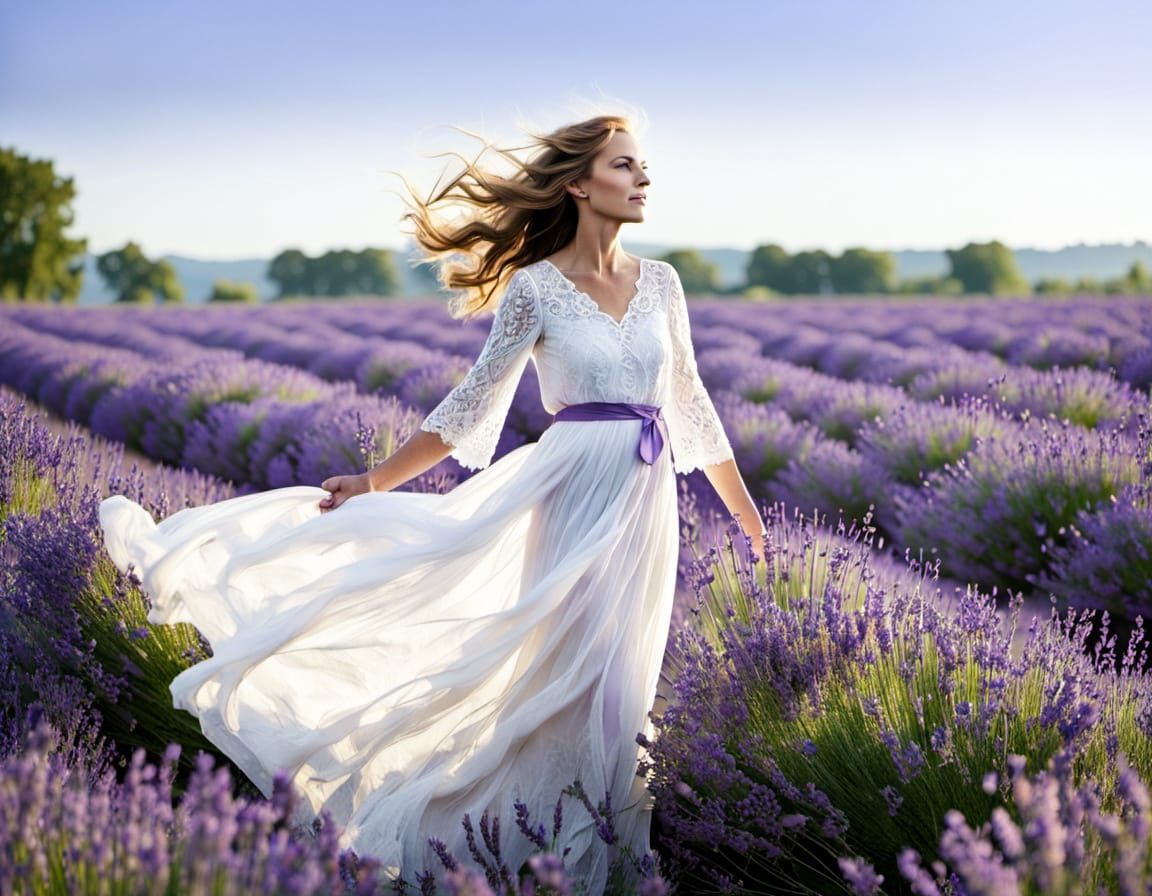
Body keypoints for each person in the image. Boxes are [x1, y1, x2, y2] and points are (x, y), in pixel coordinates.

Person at [99, 112, 765, 894]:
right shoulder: (535, 288)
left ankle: (607, 863)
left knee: (625, 685)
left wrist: (747, 513)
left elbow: (690, 402)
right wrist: (375, 481)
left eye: (642, 165)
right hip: (570, 493)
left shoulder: (663, 284)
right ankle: (526, 856)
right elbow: (472, 401)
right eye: (625, 165)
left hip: (644, 503)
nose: (643, 177)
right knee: (566, 682)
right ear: (580, 185)